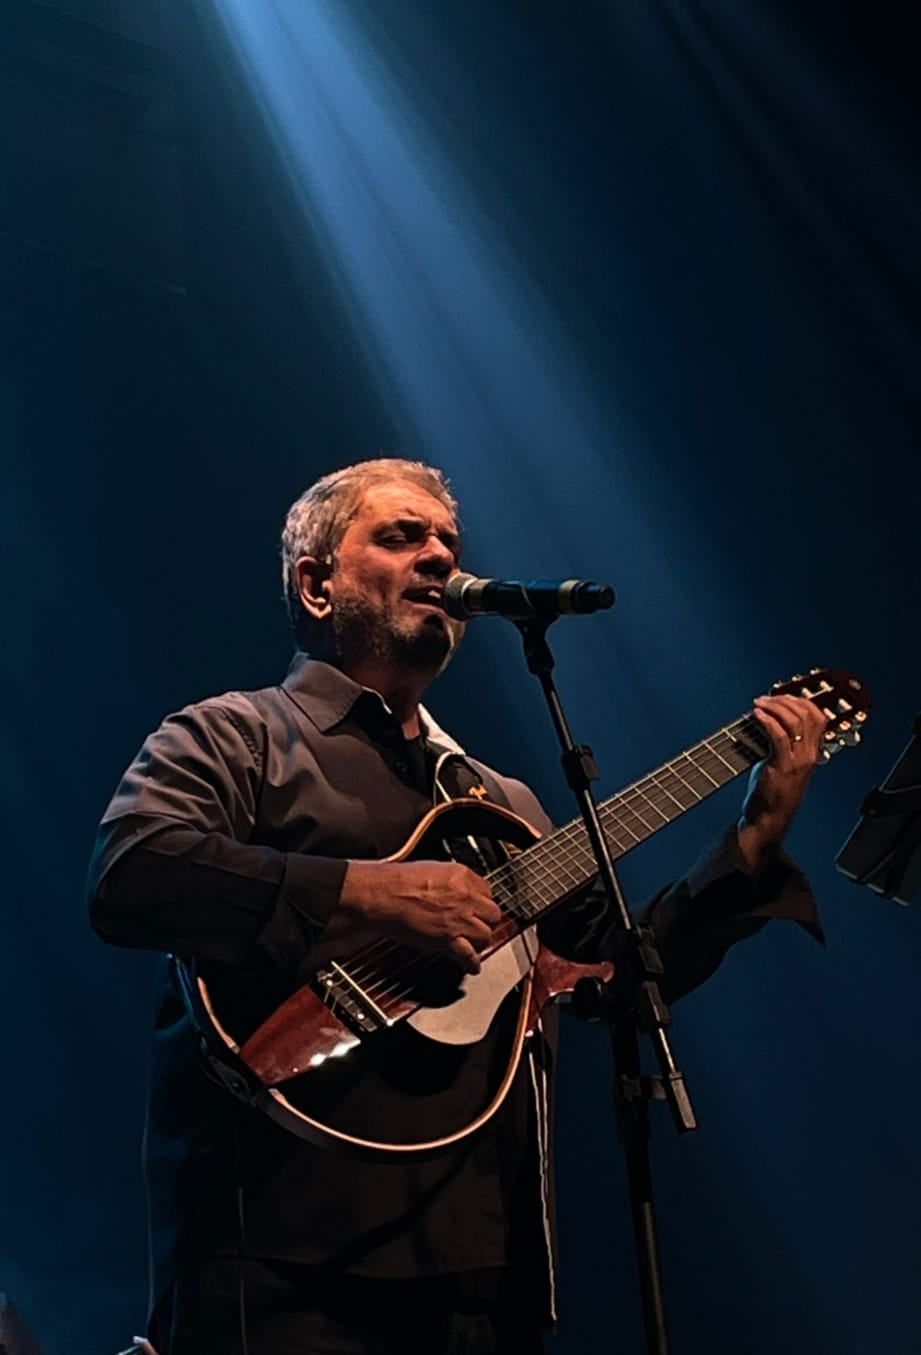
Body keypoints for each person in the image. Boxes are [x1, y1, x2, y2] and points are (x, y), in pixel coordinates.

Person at [88, 459, 826, 1355]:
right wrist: (369, 893)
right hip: (281, 1261)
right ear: (317, 585)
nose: (439, 556)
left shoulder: (501, 800)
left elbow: (628, 980)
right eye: (401, 537)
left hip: (483, 1268)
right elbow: (133, 873)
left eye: (448, 542)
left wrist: (752, 838)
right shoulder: (236, 736)